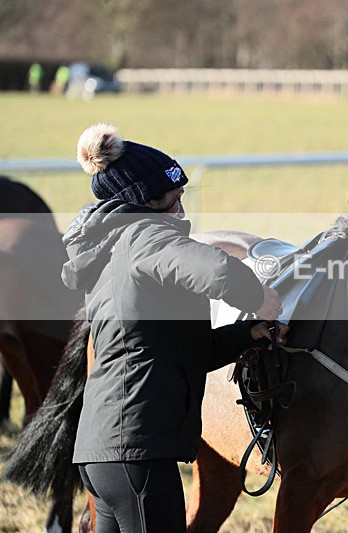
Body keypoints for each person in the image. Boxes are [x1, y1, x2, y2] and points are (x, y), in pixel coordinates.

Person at [63, 123, 285, 532]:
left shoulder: (116, 250)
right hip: (137, 451)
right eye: (176, 198)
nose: (182, 211)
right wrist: (260, 298)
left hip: (106, 452)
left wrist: (244, 335)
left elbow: (179, 351)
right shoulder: (144, 236)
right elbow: (217, 271)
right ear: (147, 199)